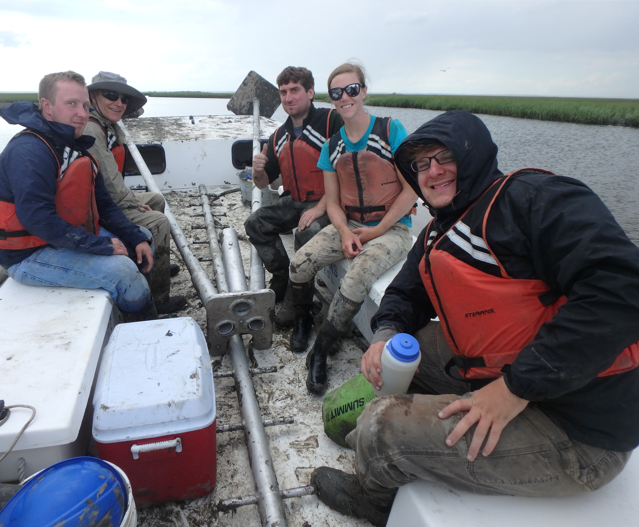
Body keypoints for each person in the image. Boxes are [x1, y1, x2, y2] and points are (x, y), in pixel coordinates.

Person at [309, 110, 639, 526]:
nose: (433, 171)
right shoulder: (439, 230)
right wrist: (384, 336)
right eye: (421, 165)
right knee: (401, 350)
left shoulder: (536, 199)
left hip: (579, 429)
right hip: (498, 370)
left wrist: (514, 389)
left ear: (475, 155)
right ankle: (396, 427)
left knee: (382, 427)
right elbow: (407, 291)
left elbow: (622, 289)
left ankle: (373, 499)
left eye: (445, 156)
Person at [0, 71, 156, 319]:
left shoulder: (75, 146)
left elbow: (104, 204)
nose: (82, 113)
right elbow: (37, 218)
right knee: (124, 271)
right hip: (27, 254)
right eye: (71, 104)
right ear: (47, 106)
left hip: (59, 237)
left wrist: (135, 238)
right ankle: (142, 325)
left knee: (143, 237)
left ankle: (140, 300)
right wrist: (100, 245)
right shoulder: (30, 151)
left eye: (85, 105)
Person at [286, 63, 418, 394]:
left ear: (363, 91)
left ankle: (321, 351)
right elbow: (332, 202)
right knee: (300, 263)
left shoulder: (391, 130)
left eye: (352, 89)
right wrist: (345, 232)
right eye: (337, 93)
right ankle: (303, 320)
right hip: (350, 223)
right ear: (330, 99)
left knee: (357, 277)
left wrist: (377, 231)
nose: (345, 97)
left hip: (392, 229)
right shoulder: (332, 146)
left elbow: (411, 189)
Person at [85, 71, 185, 314]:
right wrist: (131, 204)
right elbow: (109, 182)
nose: (118, 103)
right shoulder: (92, 129)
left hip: (106, 199)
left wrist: (131, 201)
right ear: (93, 96)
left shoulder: (106, 124)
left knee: (155, 199)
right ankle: (159, 298)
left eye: (123, 98)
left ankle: (155, 261)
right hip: (97, 208)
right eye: (110, 95)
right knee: (159, 222)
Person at [244, 66, 343, 309]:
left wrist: (321, 208)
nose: (288, 97)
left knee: (306, 232)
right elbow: (263, 183)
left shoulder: (332, 122)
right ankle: (282, 276)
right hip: (294, 201)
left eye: (295, 90)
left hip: (329, 202)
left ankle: (300, 304)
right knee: (255, 223)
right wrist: (257, 170)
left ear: (310, 92)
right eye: (283, 92)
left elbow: (348, 172)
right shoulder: (278, 136)